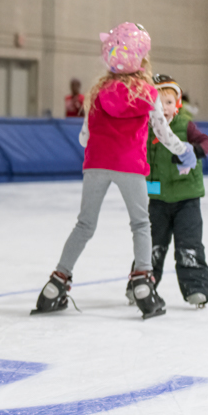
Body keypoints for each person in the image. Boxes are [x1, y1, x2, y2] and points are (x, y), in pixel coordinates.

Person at [31, 22, 195, 320]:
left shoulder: (97, 92)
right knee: (141, 224)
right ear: (141, 59)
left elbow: (84, 138)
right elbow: (162, 132)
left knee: (84, 225)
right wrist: (184, 150)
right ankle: (143, 283)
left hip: (96, 164)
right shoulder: (148, 93)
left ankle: (56, 283)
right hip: (130, 166)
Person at [126, 74, 208, 308]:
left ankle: (196, 287)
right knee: (152, 245)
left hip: (187, 199)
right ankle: (141, 285)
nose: (162, 109)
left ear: (177, 104)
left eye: (168, 102)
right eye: (157, 102)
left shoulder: (184, 125)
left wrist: (193, 151)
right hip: (157, 199)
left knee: (189, 244)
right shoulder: (146, 129)